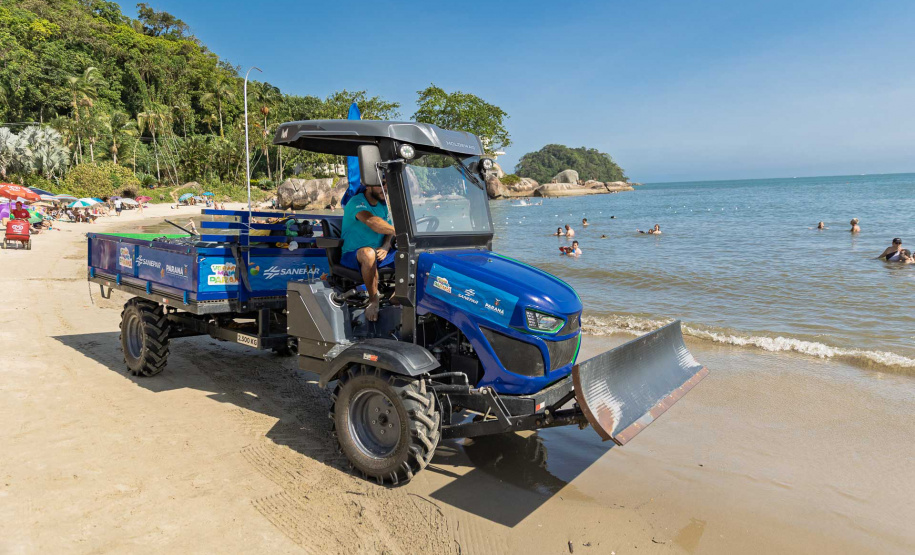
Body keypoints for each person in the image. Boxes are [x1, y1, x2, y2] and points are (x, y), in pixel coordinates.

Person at [341, 178, 396, 321]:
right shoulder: (356, 202)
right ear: (368, 185)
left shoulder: (383, 206)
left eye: (386, 184)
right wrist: (399, 231)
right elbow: (373, 222)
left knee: (415, 254)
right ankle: (373, 301)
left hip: (378, 252)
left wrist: (385, 246)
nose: (385, 187)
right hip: (353, 255)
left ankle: (400, 295)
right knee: (368, 253)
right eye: (380, 184)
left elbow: (389, 231)